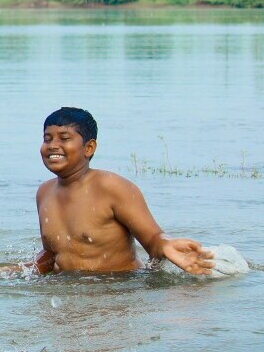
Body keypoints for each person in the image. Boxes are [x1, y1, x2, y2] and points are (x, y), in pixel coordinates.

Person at [32, 107, 214, 275]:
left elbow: (152, 239)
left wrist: (166, 244)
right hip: (70, 290)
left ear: (89, 148)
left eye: (64, 138)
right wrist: (21, 270)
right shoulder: (45, 192)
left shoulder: (112, 187)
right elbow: (52, 253)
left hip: (121, 288)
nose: (53, 145)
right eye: (47, 139)